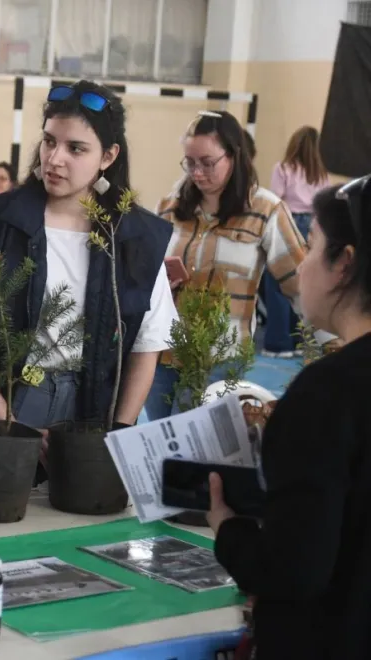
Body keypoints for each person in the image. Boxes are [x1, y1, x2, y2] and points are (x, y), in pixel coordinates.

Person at [0, 81, 177, 459]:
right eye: (49, 141)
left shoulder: (135, 237)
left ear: (108, 156)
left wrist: (118, 434)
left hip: (93, 406)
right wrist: (7, 425)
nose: (54, 158)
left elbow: (148, 345)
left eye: (75, 148)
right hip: (5, 403)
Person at [208, 175, 371, 659]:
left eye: (312, 247)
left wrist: (228, 528)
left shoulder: (328, 394)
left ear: (344, 263)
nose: (300, 271)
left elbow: (294, 569)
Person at [145, 111, 308, 420]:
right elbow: (144, 275)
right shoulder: (169, 207)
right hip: (161, 354)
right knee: (160, 443)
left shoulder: (266, 210)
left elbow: (302, 284)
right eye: (189, 162)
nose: (197, 172)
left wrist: (332, 350)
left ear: (234, 155)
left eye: (207, 163)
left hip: (220, 359)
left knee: (199, 452)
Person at [262, 125, 330, 357]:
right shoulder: (321, 174)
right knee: (301, 285)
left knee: (278, 284)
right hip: (313, 225)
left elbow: (275, 200)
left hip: (288, 223)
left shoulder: (283, 168)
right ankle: (299, 342)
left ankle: (278, 344)